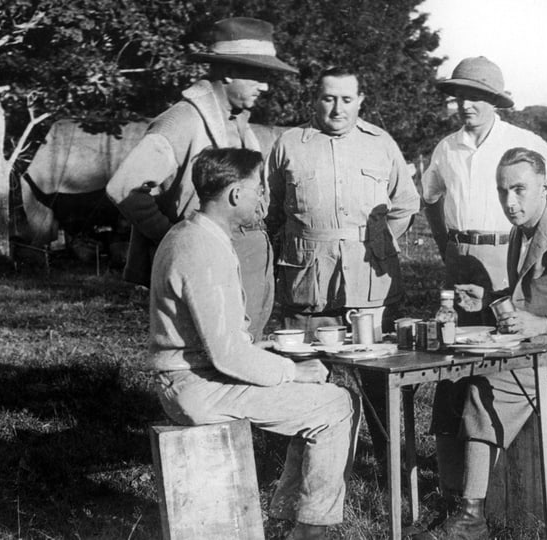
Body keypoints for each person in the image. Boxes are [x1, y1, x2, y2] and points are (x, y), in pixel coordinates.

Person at [412, 148, 547, 540]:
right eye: (502, 190)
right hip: (534, 345)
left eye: (520, 190)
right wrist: (489, 298)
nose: (510, 202)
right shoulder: (519, 235)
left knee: (487, 383)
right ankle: (453, 498)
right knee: (451, 381)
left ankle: (472, 518)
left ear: (545, 187)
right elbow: (527, 294)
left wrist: (541, 324)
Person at [150, 148, 355, 540]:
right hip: (196, 387)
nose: (265, 197)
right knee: (334, 404)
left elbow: (219, 338)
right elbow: (226, 354)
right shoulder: (201, 248)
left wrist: (271, 353)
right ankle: (311, 530)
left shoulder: (192, 233)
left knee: (326, 396)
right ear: (235, 195)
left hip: (197, 377)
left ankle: (287, 514)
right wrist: (292, 371)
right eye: (259, 188)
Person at [265, 66, 420, 467]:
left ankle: (392, 468)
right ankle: (307, 473)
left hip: (369, 286)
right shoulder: (288, 144)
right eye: (328, 98)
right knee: (308, 377)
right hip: (307, 284)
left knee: (382, 381)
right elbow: (271, 212)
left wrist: (378, 246)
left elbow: (405, 205)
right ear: (314, 100)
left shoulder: (381, 143)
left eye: (346, 99)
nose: (337, 108)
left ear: (360, 101)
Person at [107, 17, 296, 341]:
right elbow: (124, 187)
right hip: (206, 260)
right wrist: (173, 237)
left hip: (247, 255)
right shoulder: (183, 120)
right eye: (258, 75)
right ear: (227, 71)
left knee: (248, 345)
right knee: (217, 352)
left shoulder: (239, 123)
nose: (265, 87)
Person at [421, 56, 547, 323]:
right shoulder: (446, 148)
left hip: (507, 253)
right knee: (459, 336)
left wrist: (536, 238)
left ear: (494, 100)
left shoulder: (520, 141)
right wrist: (445, 246)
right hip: (458, 258)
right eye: (459, 96)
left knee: (507, 330)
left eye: (475, 96)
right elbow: (430, 197)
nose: (465, 105)